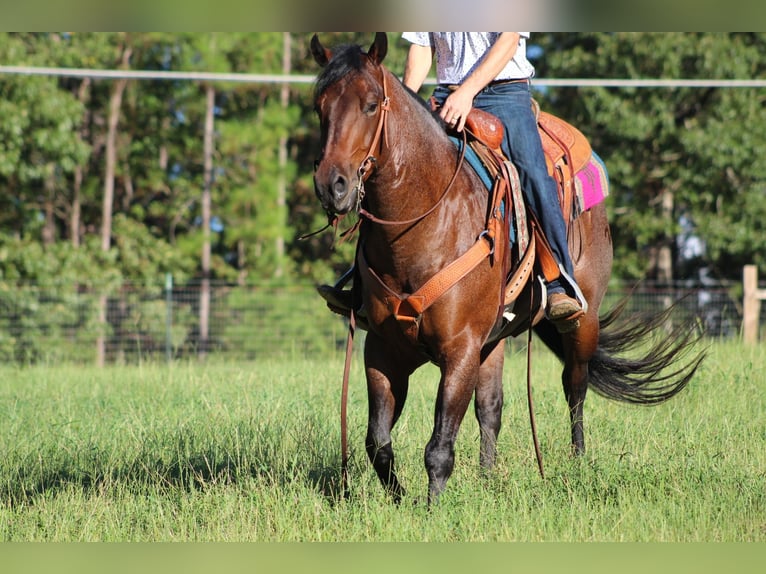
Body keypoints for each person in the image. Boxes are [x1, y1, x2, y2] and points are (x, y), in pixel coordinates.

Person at [319, 32, 583, 327]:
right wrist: (403, 107)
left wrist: (467, 93)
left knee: (534, 174)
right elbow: (421, 48)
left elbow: (508, 41)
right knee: (389, 169)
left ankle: (560, 281)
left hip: (505, 95)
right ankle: (362, 284)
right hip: (446, 95)